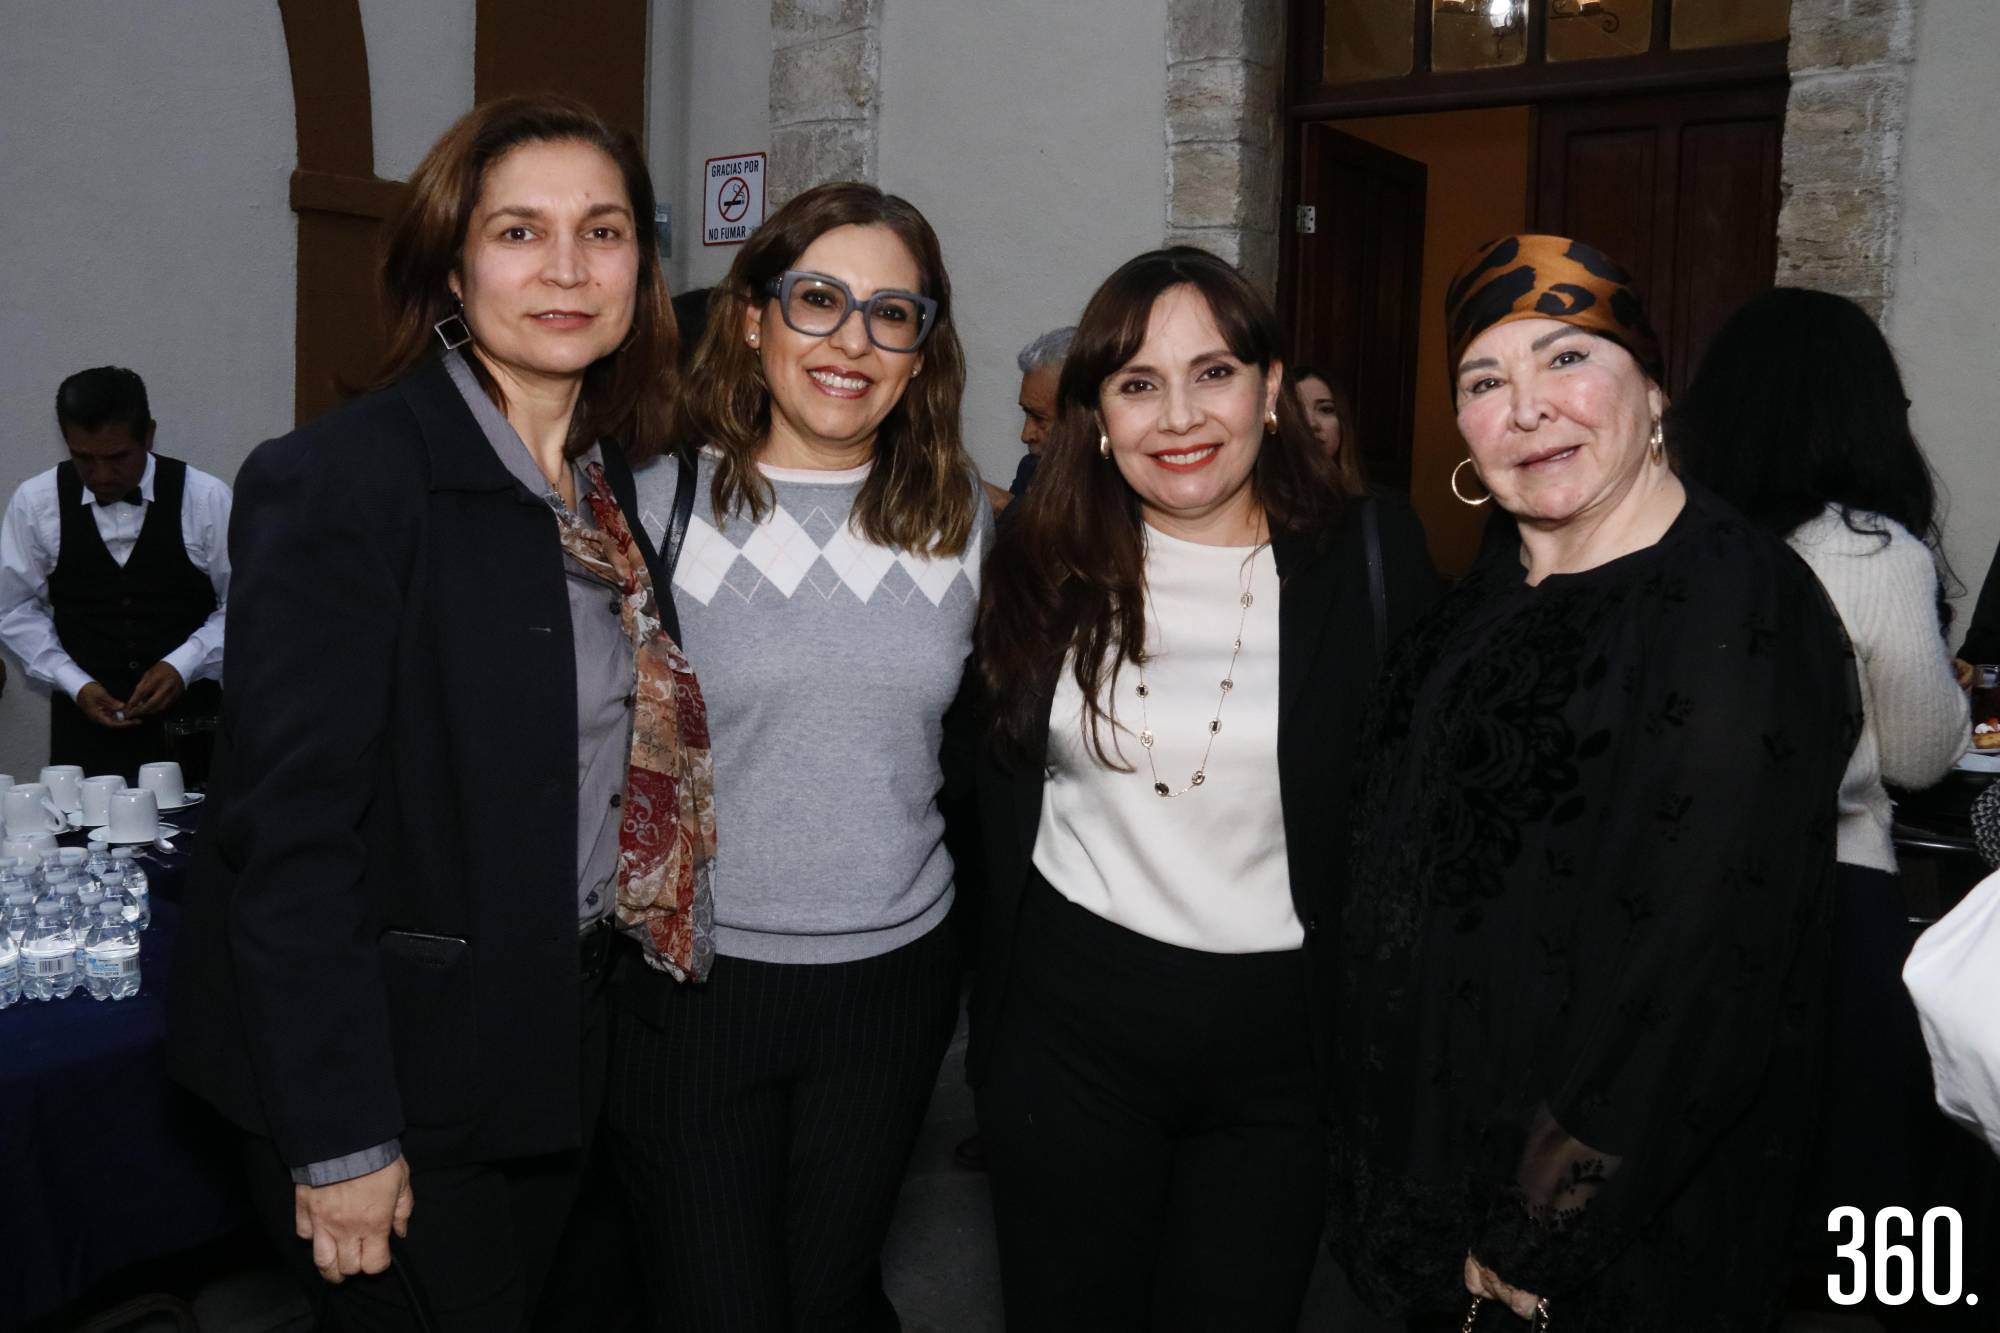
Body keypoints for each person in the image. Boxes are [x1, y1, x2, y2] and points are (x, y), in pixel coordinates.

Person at [169, 95, 685, 1332]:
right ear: (452, 263)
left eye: (602, 232)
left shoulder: (609, 490)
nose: (566, 268)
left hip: (562, 1034)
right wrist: (342, 1138)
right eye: (520, 231)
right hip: (398, 1067)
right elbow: (288, 847)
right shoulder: (341, 481)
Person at [1326, 235, 1859, 1332]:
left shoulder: (1733, 604)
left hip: (1588, 1226)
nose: (1525, 408)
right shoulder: (1490, 578)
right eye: (1484, 381)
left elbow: (1702, 963)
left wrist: (1538, 1224)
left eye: (1566, 358)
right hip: (1425, 1162)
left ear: (1651, 390)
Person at [968, 246, 1440, 1331]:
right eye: (1136, 383)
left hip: (1281, 1058)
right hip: (1066, 1035)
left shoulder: (1372, 556)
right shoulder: (1037, 562)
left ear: (1270, 391)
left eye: (1212, 373)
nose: (1177, 415)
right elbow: (979, 783)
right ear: (1094, 414)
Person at [618, 180, 988, 1332]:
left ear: (922, 352)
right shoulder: (649, 505)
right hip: (696, 987)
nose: (850, 341)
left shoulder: (967, 518)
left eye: (892, 313)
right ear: (750, 318)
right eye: (817, 299)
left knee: (831, 1296)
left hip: (892, 984)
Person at [1673, 286, 1969, 1263]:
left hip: (1671, 894)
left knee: (1702, 1186)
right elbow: (1923, 753)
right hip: (1830, 897)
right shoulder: (1870, 549)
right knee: (1851, 1190)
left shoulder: (1664, 536)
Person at [0, 366, 230, 782]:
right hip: (84, 742)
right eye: (83, 459)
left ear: (149, 435)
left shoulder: (205, 498)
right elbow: (11, 608)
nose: (102, 476)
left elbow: (246, 604)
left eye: (117, 457)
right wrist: (74, 682)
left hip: (194, 733)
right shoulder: (35, 504)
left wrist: (184, 663)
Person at [1289, 363, 1367, 495]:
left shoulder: (1386, 509)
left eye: (1325, 410)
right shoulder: (1254, 506)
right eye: (1297, 411)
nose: (1311, 423)